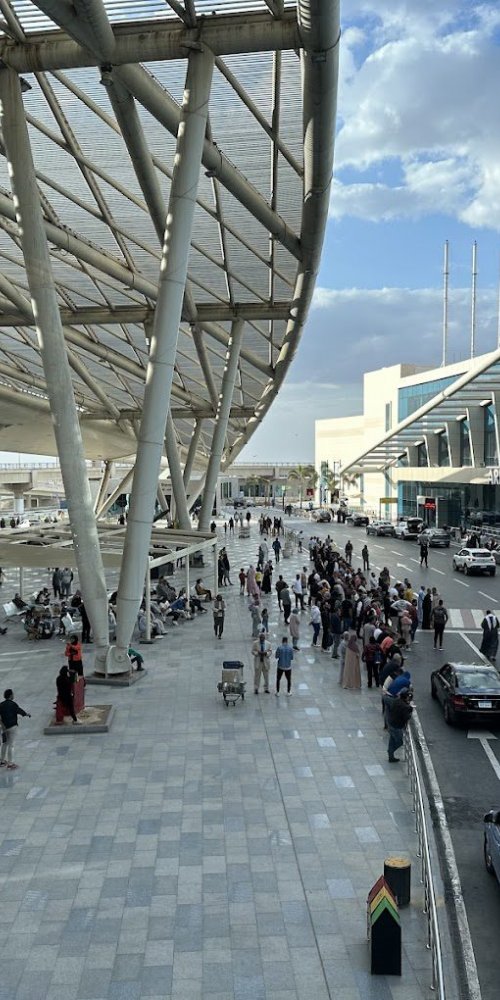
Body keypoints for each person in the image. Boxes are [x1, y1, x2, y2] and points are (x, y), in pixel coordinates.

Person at [0, 689, 31, 768]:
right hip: (12, 727)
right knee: (11, 745)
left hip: (4, 728)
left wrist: (2, 725)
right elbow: (19, 711)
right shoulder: (13, 704)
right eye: (13, 694)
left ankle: (2, 761)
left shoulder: (1, 705)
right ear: (10, 696)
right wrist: (26, 714)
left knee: (5, 743)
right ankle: (10, 763)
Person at [387, 688, 413, 763]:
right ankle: (391, 751)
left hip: (391, 723)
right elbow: (406, 717)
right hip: (397, 726)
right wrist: (410, 709)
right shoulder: (405, 707)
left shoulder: (396, 701)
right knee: (399, 742)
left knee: (392, 740)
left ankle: (391, 756)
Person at [252, 628, 272, 694]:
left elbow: (270, 651)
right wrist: (258, 653)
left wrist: (266, 653)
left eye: (263, 638)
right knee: (257, 676)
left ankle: (266, 688)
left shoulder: (268, 644)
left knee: (266, 676)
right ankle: (256, 688)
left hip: (265, 662)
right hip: (258, 661)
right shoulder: (255, 643)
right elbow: (253, 651)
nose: (262, 639)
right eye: (261, 638)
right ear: (259, 638)